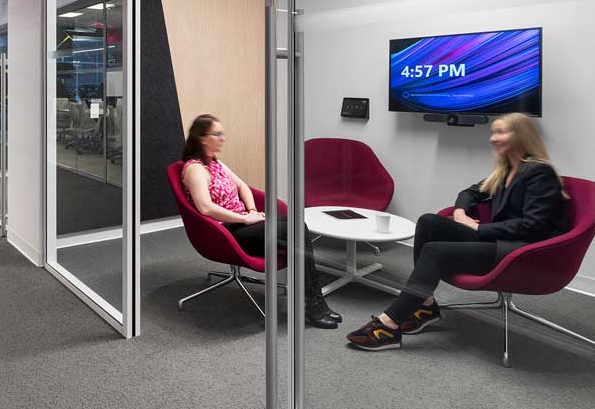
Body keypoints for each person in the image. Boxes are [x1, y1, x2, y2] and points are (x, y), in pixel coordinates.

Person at [347, 112, 567, 351]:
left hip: (520, 252)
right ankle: (425, 304)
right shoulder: (505, 170)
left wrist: (478, 227)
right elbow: (469, 194)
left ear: (522, 136)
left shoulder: (539, 173)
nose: (493, 138)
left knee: (435, 251)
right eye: (493, 132)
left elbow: (533, 226)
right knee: (429, 221)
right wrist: (461, 213)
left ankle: (389, 325)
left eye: (501, 132)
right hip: (497, 240)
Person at [181, 114, 341, 329]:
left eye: (223, 133)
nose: (223, 138)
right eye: (217, 134)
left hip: (244, 222)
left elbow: (242, 186)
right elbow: (205, 208)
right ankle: (314, 304)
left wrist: (253, 210)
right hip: (225, 232)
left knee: (298, 227)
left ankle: (315, 301)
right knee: (295, 233)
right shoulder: (195, 169)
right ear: (202, 138)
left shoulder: (215, 163)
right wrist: (245, 218)